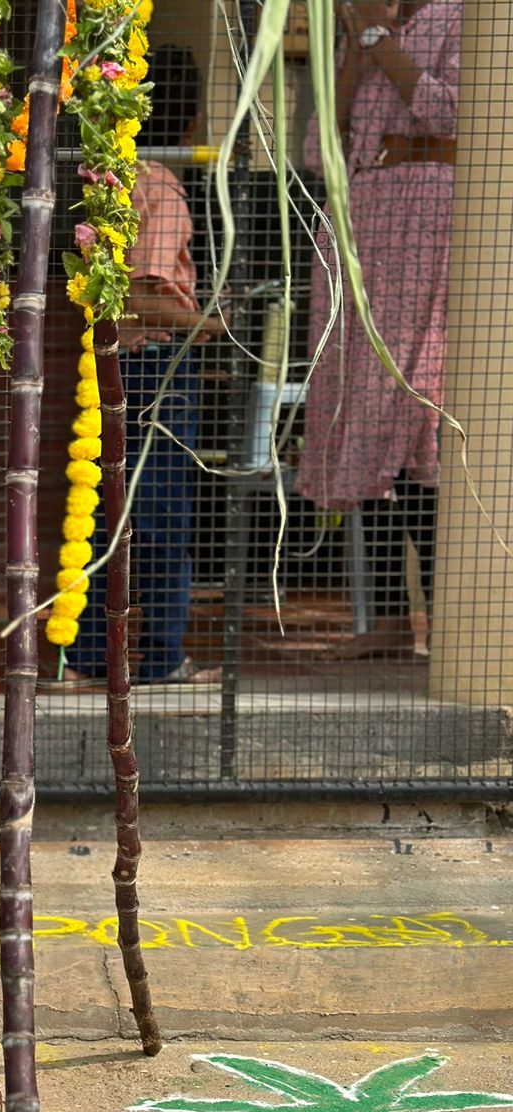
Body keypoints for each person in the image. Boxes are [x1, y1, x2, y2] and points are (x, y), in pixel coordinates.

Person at [295, 0, 462, 660]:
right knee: (358, 415)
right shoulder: (369, 25)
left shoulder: (464, 18)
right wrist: (359, 49)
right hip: (358, 218)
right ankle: (391, 616)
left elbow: (451, 111)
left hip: (428, 218)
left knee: (419, 411)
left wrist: (376, 37)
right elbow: (317, 148)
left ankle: (450, 618)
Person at [67, 46, 228, 688]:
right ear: (190, 125)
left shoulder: (113, 177)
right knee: (158, 518)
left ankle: (82, 659)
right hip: (156, 363)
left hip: (116, 362)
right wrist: (210, 325)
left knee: (109, 509)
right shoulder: (160, 184)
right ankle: (157, 657)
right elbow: (142, 289)